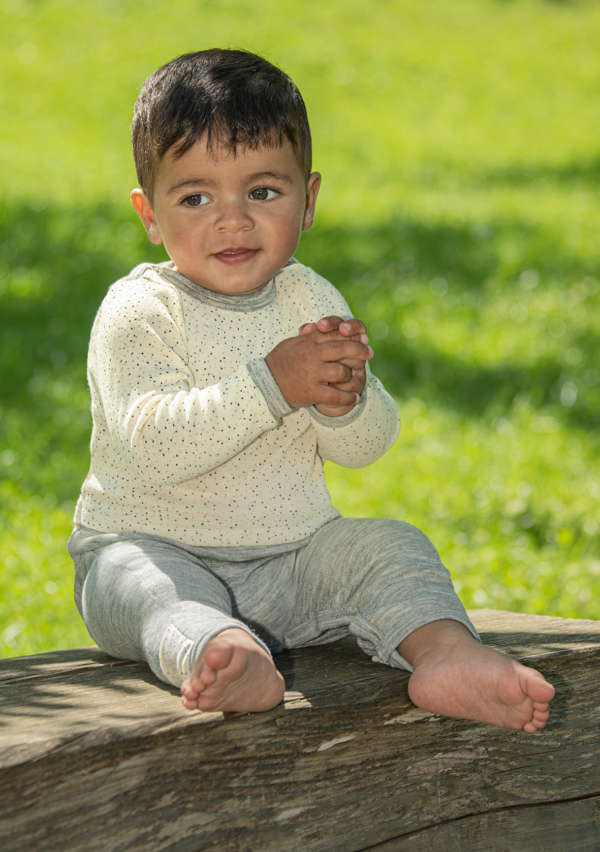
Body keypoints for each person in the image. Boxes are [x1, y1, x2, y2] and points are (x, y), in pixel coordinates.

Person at [69, 49, 554, 731]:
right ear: (150, 214)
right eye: (196, 197)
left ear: (309, 198)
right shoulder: (139, 312)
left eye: (263, 192)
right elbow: (154, 444)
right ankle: (221, 652)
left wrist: (344, 403)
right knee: (148, 589)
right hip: (153, 543)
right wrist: (271, 383)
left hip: (293, 558)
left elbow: (364, 448)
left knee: (390, 546)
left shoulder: (308, 295)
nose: (233, 221)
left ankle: (447, 654)